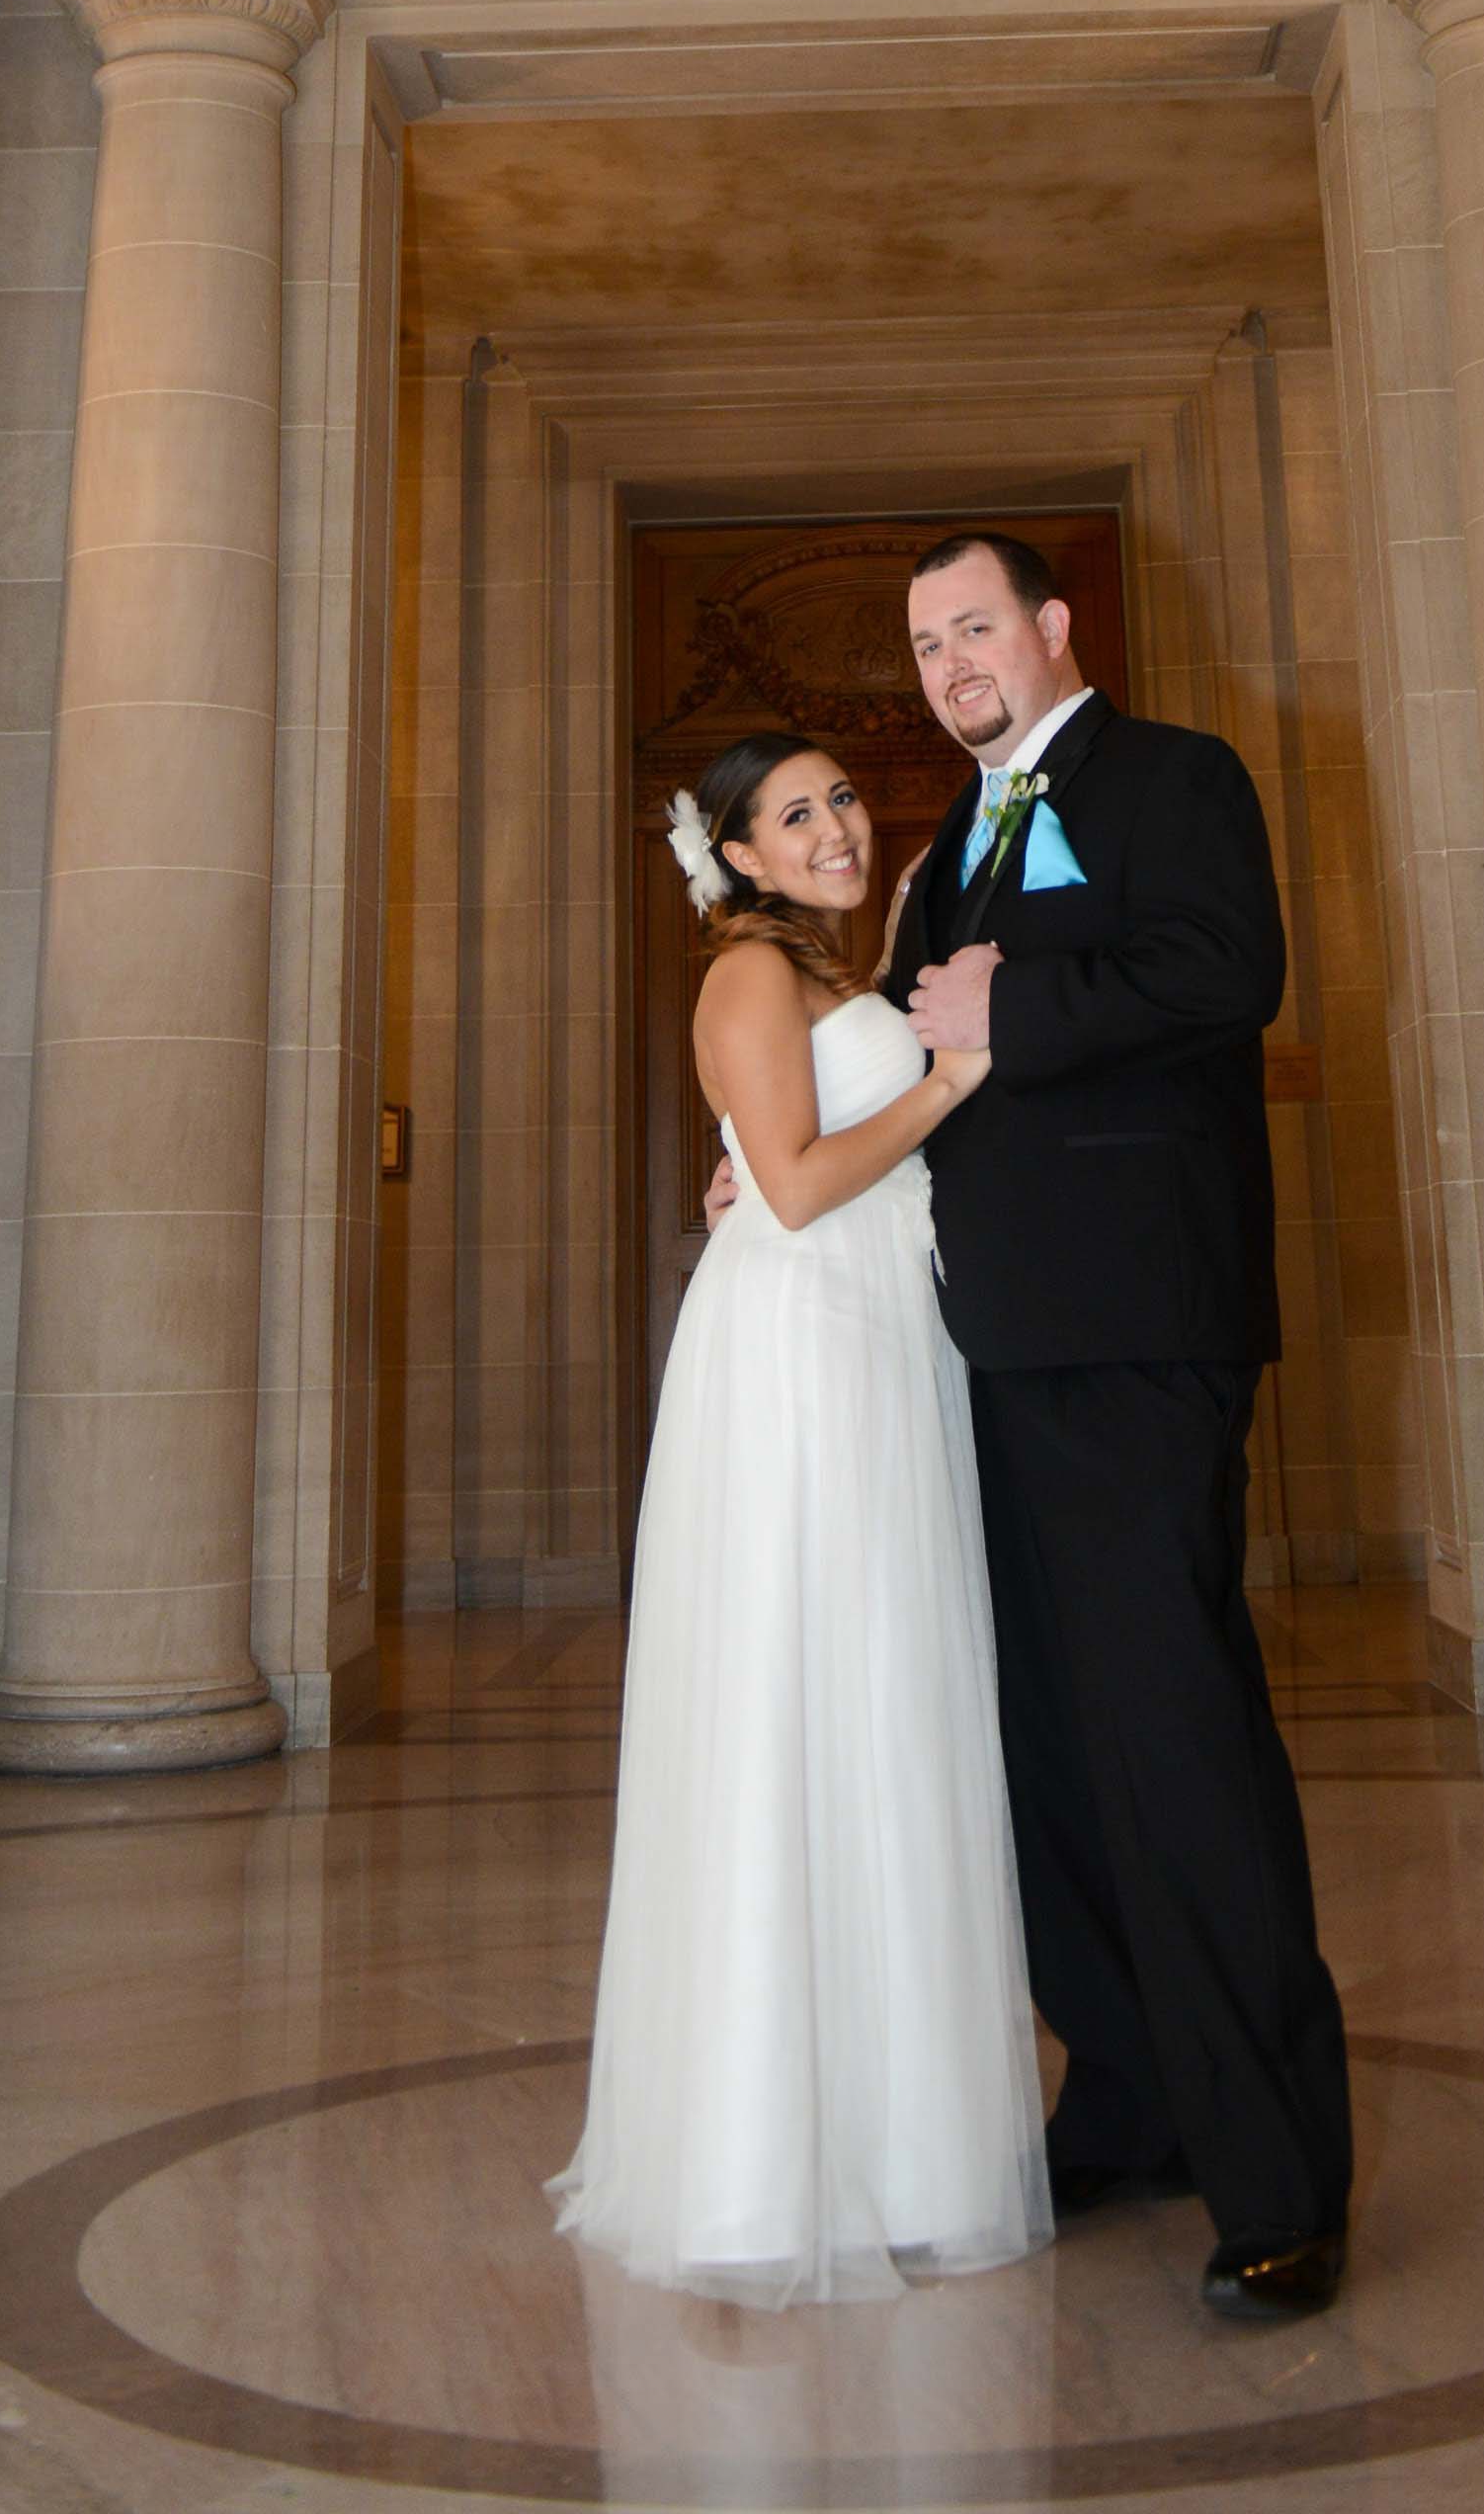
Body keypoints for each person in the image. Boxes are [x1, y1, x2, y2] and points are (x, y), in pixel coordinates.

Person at [888, 530, 1354, 2323]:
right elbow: (909, 1050)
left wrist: (1028, 1001)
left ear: (1054, 628)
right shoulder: (946, 855)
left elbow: (1234, 969)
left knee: (1173, 1741)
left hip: (1146, 1337)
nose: (951, 667)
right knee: (1048, 1750)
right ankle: (1134, 2101)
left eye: (976, 628)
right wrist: (767, 1138)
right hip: (988, 1350)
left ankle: (1281, 2174)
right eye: (926, 647)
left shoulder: (1176, 776)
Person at [548, 730, 1049, 2307]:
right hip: (802, 1364)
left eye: (840, 796)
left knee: (891, 1717)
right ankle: (767, 2153)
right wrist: (958, 1079)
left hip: (886, 1349)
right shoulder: (745, 981)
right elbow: (799, 1183)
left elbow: (805, 1136)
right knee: (803, 1711)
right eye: (794, 813)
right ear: (739, 857)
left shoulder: (840, 972)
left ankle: (911, 2141)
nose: (834, 823)